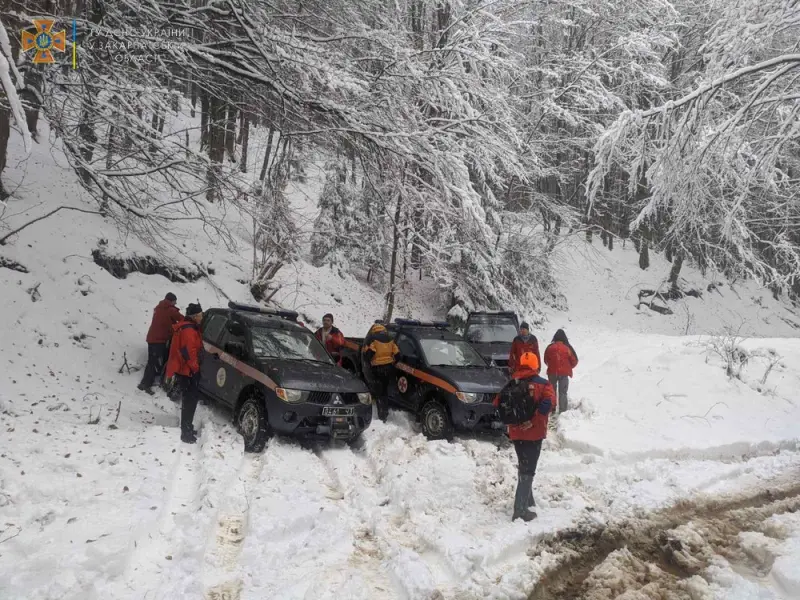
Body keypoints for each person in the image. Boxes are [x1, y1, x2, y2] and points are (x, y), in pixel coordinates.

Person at [494, 351, 554, 522]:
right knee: (528, 469)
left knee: (524, 464)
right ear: (536, 366)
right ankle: (520, 510)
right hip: (534, 433)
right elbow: (548, 404)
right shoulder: (543, 384)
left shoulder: (511, 383)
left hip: (516, 433)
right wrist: (532, 421)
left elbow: (497, 403)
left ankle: (528, 499)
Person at [165, 303, 205, 444]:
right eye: (200, 315)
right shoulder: (189, 330)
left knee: (190, 400)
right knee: (189, 401)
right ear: (194, 316)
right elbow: (188, 352)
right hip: (187, 371)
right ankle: (186, 433)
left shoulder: (191, 327)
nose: (202, 317)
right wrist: (195, 369)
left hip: (186, 370)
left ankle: (187, 427)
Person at [138, 292, 183, 395]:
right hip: (159, 340)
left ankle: (145, 383)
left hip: (152, 338)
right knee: (154, 363)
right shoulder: (170, 310)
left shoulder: (158, 308)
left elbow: (165, 322)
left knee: (151, 361)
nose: (175, 304)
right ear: (171, 301)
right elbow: (182, 319)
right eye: (175, 302)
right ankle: (146, 384)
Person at [362, 323, 399, 422]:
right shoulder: (390, 338)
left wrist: (368, 359)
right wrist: (392, 362)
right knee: (385, 391)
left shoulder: (373, 339)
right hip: (388, 368)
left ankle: (382, 415)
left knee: (378, 391)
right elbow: (397, 354)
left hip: (377, 369)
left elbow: (369, 354)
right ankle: (385, 411)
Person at [544, 329, 579, 413]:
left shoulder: (550, 347)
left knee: (552, 391)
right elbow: (574, 361)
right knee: (563, 392)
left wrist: (551, 365)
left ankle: (552, 409)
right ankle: (562, 411)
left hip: (552, 372)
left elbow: (546, 360)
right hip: (564, 373)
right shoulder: (568, 348)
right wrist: (568, 367)